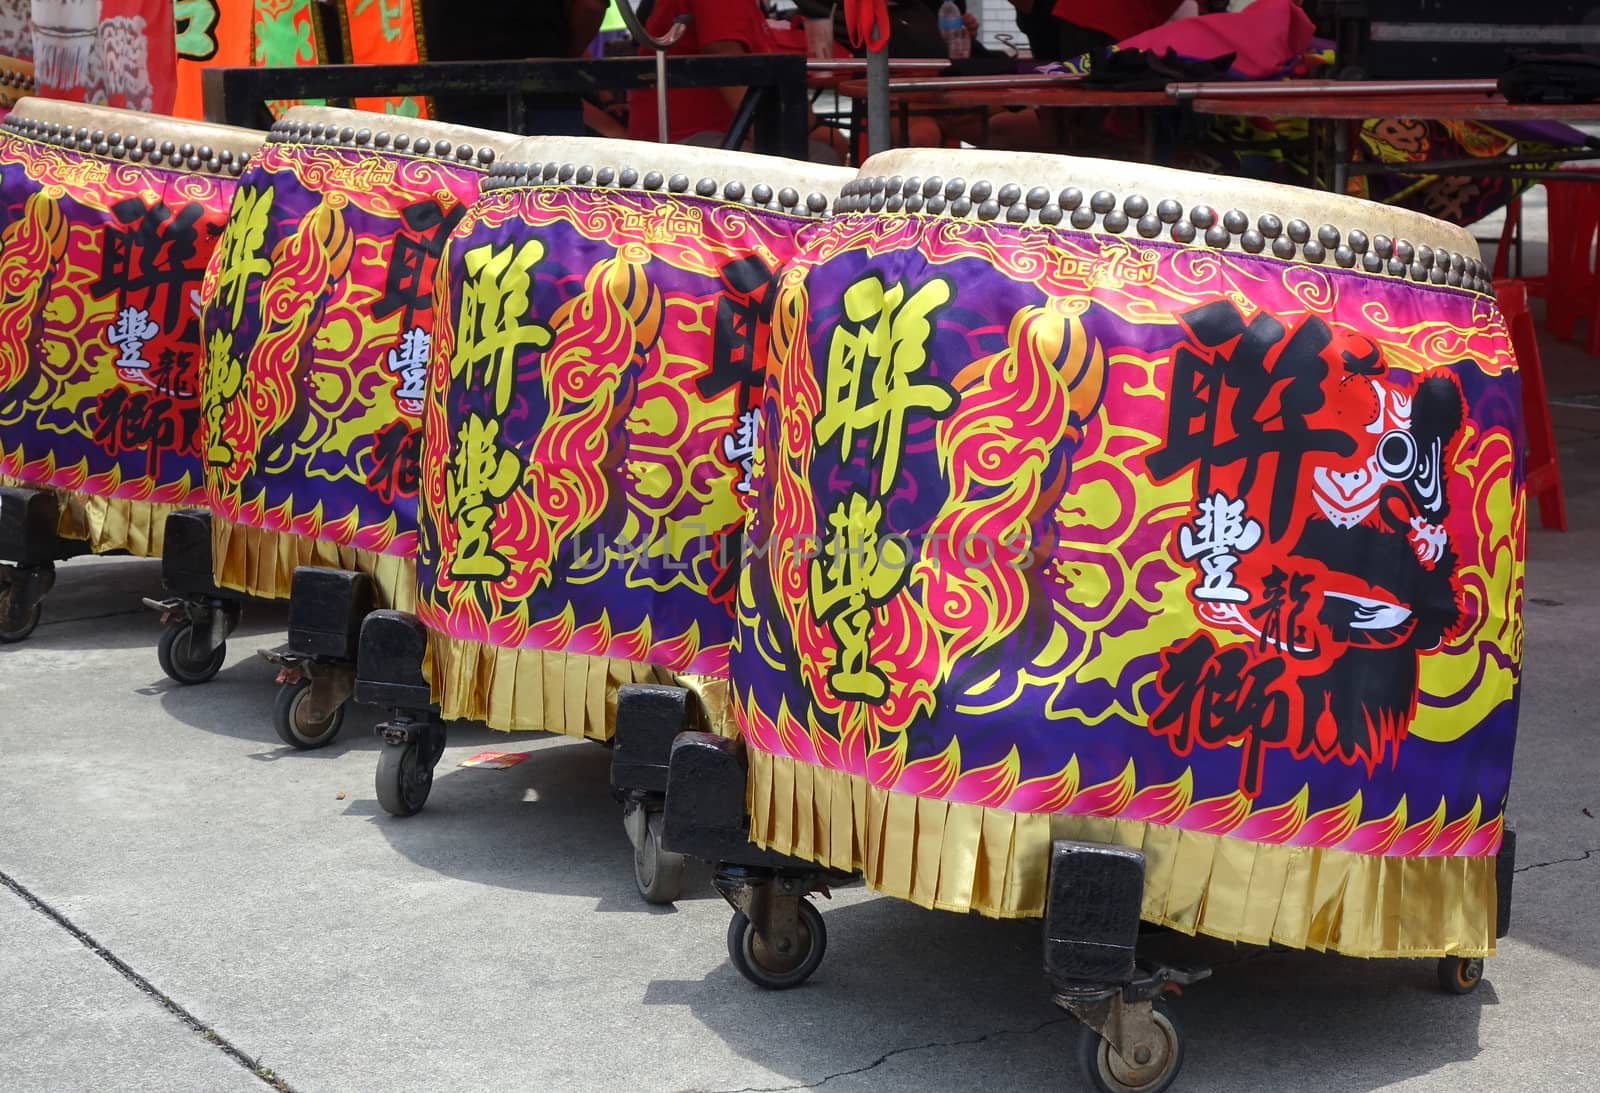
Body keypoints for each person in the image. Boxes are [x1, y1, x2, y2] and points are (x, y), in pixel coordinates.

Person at [421, 0, 609, 130]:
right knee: (547, 184)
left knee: (456, 180)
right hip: (540, 91)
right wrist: (561, 58)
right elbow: (590, 7)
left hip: (448, 89)